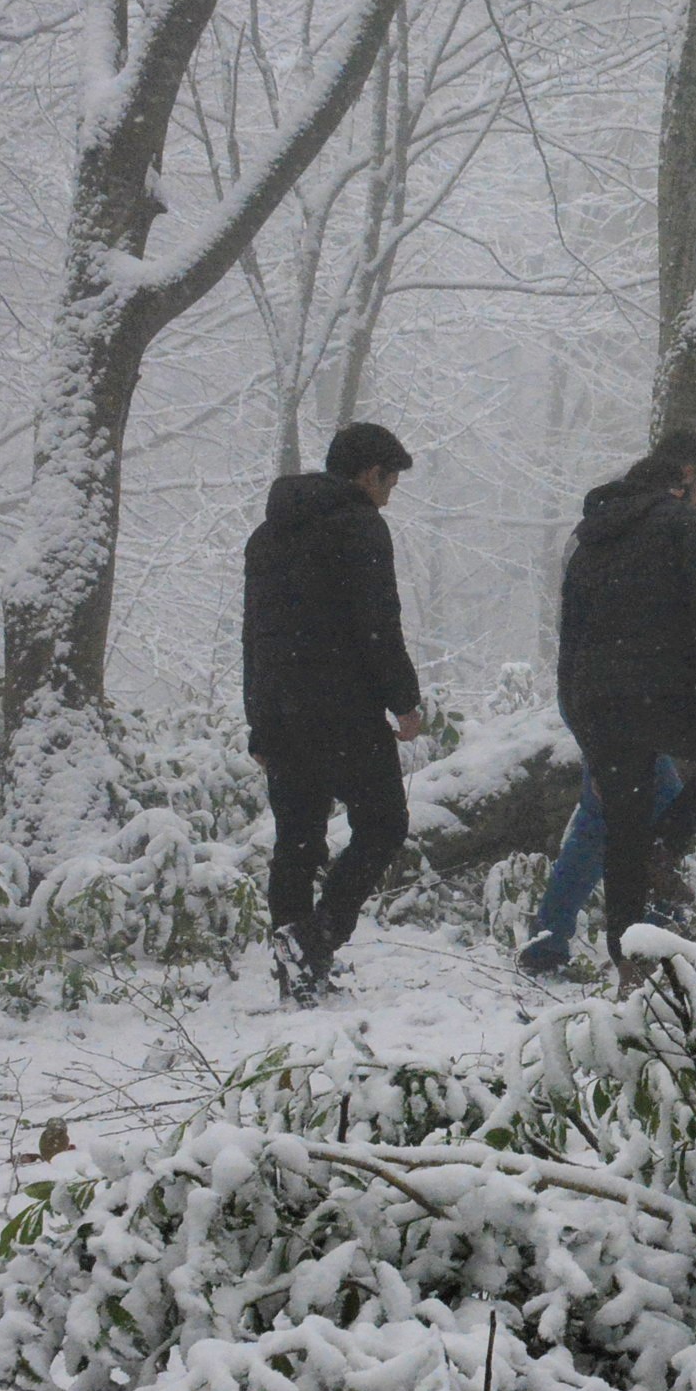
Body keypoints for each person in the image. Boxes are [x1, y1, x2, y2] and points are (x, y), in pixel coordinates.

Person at [556, 432, 696, 980]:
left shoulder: (589, 537)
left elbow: (569, 642)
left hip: (596, 702)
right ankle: (666, 846)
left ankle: (629, 967)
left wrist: (585, 734)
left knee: (620, 831)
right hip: (658, 694)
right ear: (689, 477)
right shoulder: (684, 525)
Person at [242, 420, 425, 1003]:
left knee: (296, 840)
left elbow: (255, 637)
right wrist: (404, 700)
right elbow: (378, 624)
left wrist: (260, 722)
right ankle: (318, 940)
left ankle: (294, 967)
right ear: (370, 474)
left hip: (282, 709)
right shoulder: (360, 527)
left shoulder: (266, 536)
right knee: (384, 824)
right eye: (389, 483)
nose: (389, 495)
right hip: (343, 709)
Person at [518, 757, 680, 977]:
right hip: (617, 739)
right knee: (608, 822)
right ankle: (658, 935)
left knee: (658, 810)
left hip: (631, 736)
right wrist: (598, 759)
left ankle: (660, 932)